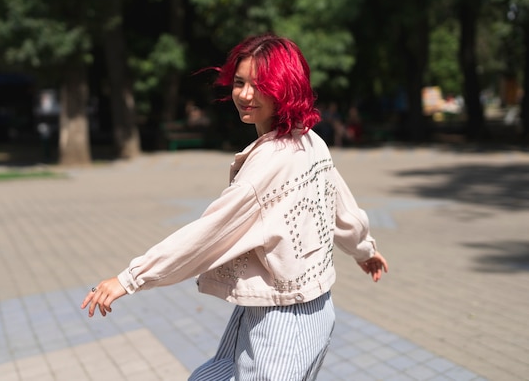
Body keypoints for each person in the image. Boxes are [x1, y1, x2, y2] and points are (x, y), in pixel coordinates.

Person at [81, 33, 388, 380]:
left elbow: (209, 234)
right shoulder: (312, 141)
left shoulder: (269, 164)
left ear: (285, 88)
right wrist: (364, 251)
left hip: (281, 325)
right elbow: (345, 213)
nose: (244, 95)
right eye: (240, 83)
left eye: (260, 85)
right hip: (306, 310)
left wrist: (130, 278)